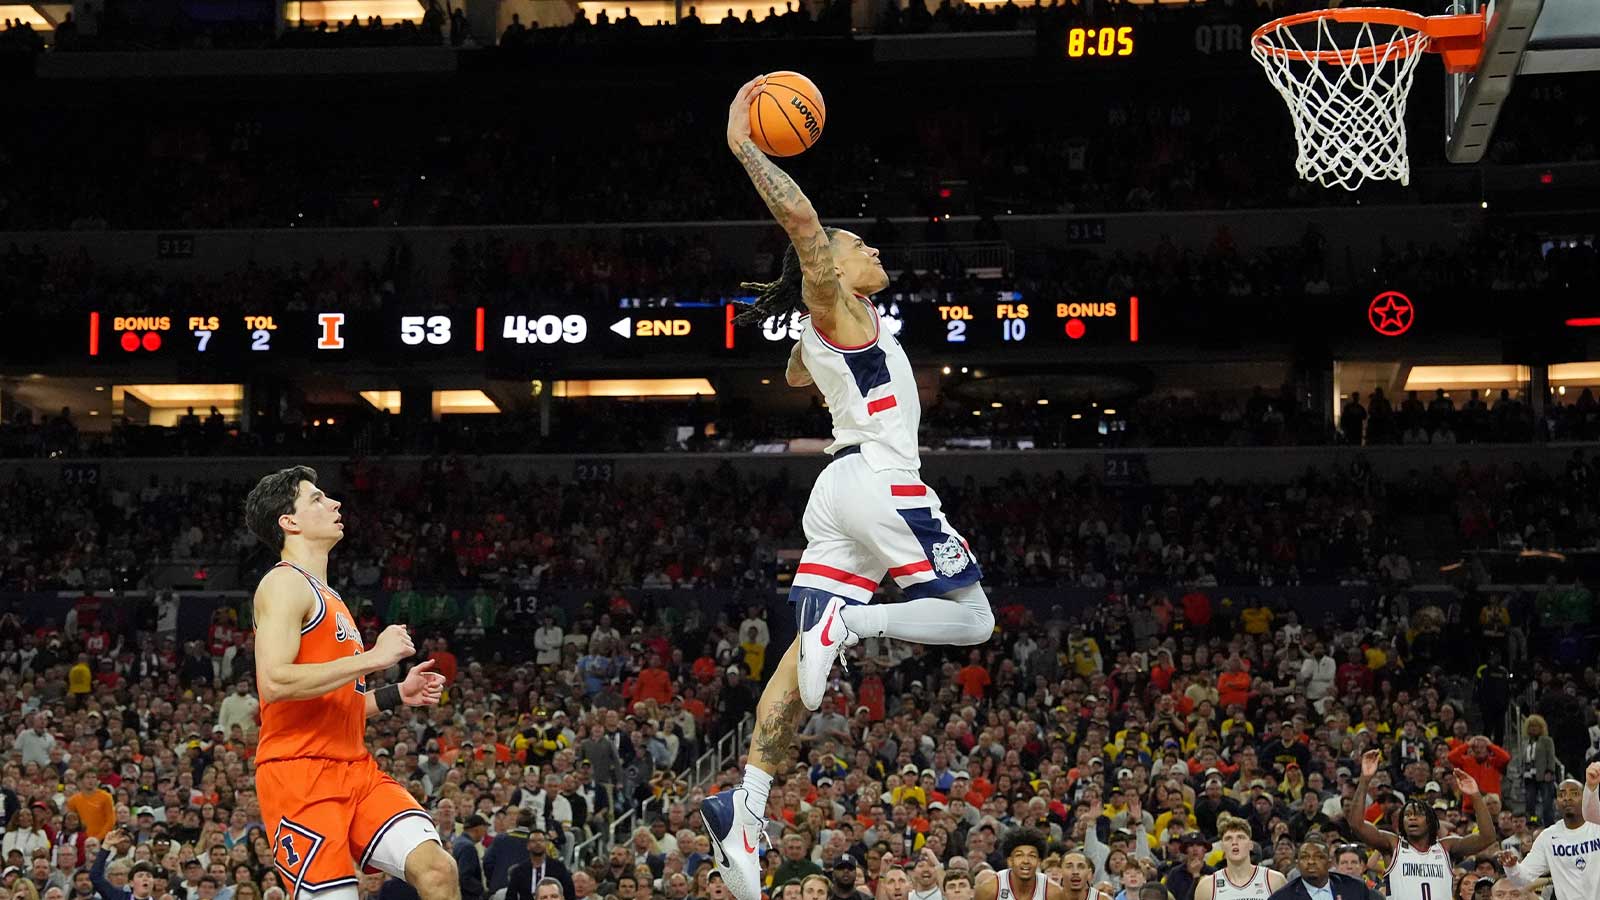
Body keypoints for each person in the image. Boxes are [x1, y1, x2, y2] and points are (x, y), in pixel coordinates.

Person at [701, 77, 995, 900]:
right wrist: (744, 146)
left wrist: (805, 315)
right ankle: (853, 622)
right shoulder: (842, 306)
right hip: (879, 481)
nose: (878, 256)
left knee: (798, 661)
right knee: (973, 619)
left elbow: (796, 366)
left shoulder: (818, 327)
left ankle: (746, 805)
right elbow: (802, 225)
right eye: (864, 246)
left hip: (836, 494)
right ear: (835, 262)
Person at [244, 465, 455, 900]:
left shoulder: (331, 595)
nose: (335, 503)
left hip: (354, 768)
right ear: (290, 521)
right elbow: (277, 682)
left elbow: (333, 701)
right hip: (299, 775)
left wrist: (398, 693)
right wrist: (375, 659)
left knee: (437, 870)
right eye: (318, 498)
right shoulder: (283, 583)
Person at [1345, 750, 1498, 900]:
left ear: (1431, 821)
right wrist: (1364, 780)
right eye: (1407, 815)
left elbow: (1488, 837)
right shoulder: (1392, 845)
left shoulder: (1446, 847)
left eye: (1418, 814)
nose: (1412, 818)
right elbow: (1357, 825)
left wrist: (1475, 796)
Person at [1498, 770, 1600, 899]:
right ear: (1556, 803)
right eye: (1561, 795)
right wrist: (1512, 867)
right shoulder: (1548, 837)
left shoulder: (1597, 827)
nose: (1567, 798)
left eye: (1574, 793)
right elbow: (1523, 878)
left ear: (1584, 797)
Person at [1194, 816, 1286, 900]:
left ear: (1251, 845)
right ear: (1222, 846)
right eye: (1228, 838)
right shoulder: (1207, 886)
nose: (1234, 842)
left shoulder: (1275, 880)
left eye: (1240, 837)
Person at [974, 829, 1064, 900]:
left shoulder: (1053, 892)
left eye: (1032, 856)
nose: (1025, 861)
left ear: (1039, 862)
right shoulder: (989, 890)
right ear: (1010, 861)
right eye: (1019, 855)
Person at [1265, 838, 1367, 900]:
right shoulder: (1282, 898)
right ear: (1297, 864)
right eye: (1305, 857)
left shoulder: (1355, 888)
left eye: (1319, 857)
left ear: (1329, 863)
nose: (1311, 861)